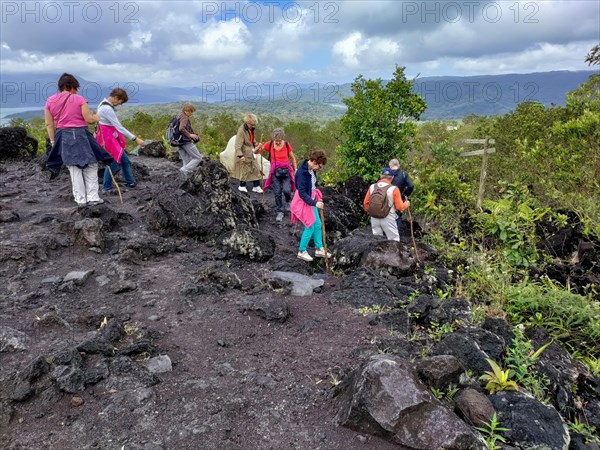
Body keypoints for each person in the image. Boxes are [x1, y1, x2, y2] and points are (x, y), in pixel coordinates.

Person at [45, 73, 113, 207]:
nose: (76, 90)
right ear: (71, 86)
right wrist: (96, 118)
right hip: (82, 134)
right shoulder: (80, 99)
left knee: (73, 167)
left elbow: (49, 124)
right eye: (76, 87)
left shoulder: (50, 101)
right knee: (92, 164)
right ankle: (93, 197)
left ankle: (80, 200)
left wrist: (53, 142)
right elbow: (88, 119)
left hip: (63, 136)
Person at [96, 88, 145, 194]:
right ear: (116, 98)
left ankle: (131, 182)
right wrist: (135, 139)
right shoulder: (107, 108)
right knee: (113, 162)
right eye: (120, 102)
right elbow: (119, 127)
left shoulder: (104, 104)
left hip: (109, 136)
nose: (119, 104)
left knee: (124, 160)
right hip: (108, 138)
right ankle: (106, 186)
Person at [290, 150, 331, 262]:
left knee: (317, 224)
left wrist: (317, 197)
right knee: (310, 225)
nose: (319, 168)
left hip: (311, 200)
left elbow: (313, 186)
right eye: (319, 166)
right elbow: (302, 193)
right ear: (313, 161)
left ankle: (319, 249)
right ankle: (301, 251)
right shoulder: (302, 173)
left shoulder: (311, 170)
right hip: (302, 202)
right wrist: (315, 203)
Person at [363, 167, 410, 242]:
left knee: (376, 241)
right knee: (394, 241)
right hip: (388, 219)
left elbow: (365, 203)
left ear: (381, 176)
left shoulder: (372, 187)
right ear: (392, 178)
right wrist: (406, 204)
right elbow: (400, 207)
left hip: (374, 218)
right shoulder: (394, 189)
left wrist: (372, 212)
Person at [261, 128, 297, 222]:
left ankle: (288, 201)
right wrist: (258, 146)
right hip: (275, 172)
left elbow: (292, 158)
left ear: (282, 139)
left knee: (286, 190)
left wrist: (295, 169)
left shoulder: (286, 145)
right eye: (276, 141)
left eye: (279, 141)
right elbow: (258, 151)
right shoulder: (269, 144)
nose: (277, 143)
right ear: (273, 139)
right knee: (277, 192)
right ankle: (279, 211)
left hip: (286, 171)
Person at [232, 113, 263, 193]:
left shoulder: (251, 129)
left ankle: (256, 186)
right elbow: (237, 144)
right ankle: (242, 186)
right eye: (251, 124)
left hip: (251, 152)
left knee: (256, 167)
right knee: (245, 169)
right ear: (247, 122)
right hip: (244, 152)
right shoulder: (241, 130)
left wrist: (255, 143)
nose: (253, 126)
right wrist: (240, 155)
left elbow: (251, 139)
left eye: (254, 124)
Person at [174, 103, 203, 174]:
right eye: (191, 112)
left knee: (186, 161)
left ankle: (184, 176)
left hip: (179, 142)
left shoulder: (178, 115)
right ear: (188, 111)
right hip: (185, 141)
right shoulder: (184, 117)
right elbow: (181, 128)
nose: (192, 114)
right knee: (198, 157)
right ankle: (184, 170)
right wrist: (190, 135)